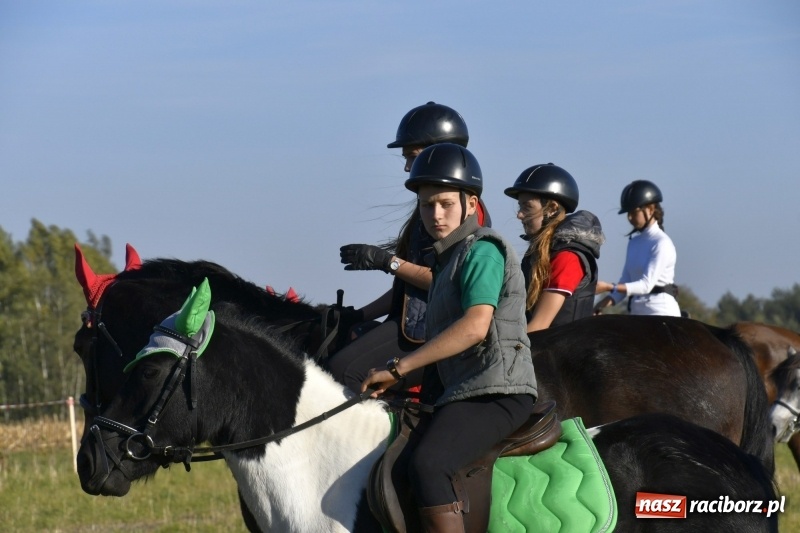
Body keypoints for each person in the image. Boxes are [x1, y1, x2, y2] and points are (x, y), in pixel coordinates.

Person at [361, 143, 536, 532]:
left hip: (497, 391)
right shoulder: (447, 261)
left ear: (470, 204)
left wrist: (399, 368)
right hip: (463, 389)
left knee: (429, 464)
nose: (436, 214)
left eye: (445, 203)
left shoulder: (482, 251)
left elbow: (475, 327)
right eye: (427, 205)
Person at [328, 102, 491, 393]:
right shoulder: (428, 211)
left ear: (440, 153)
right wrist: (360, 315)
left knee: (345, 372)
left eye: (412, 157)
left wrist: (387, 262)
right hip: (413, 325)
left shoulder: (464, 214)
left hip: (437, 330)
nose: (406, 167)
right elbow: (408, 290)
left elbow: (445, 281)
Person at [504, 163, 604, 332]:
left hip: (564, 348)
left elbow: (539, 326)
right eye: (520, 206)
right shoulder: (538, 253)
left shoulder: (568, 257)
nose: (519, 215)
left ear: (551, 208)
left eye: (527, 207)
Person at [593, 179, 681, 316]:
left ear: (650, 209)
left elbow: (646, 285)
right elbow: (625, 282)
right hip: (637, 313)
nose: (629, 218)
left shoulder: (662, 243)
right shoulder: (634, 242)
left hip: (661, 313)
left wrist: (608, 287)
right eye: (628, 213)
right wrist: (601, 305)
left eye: (634, 212)